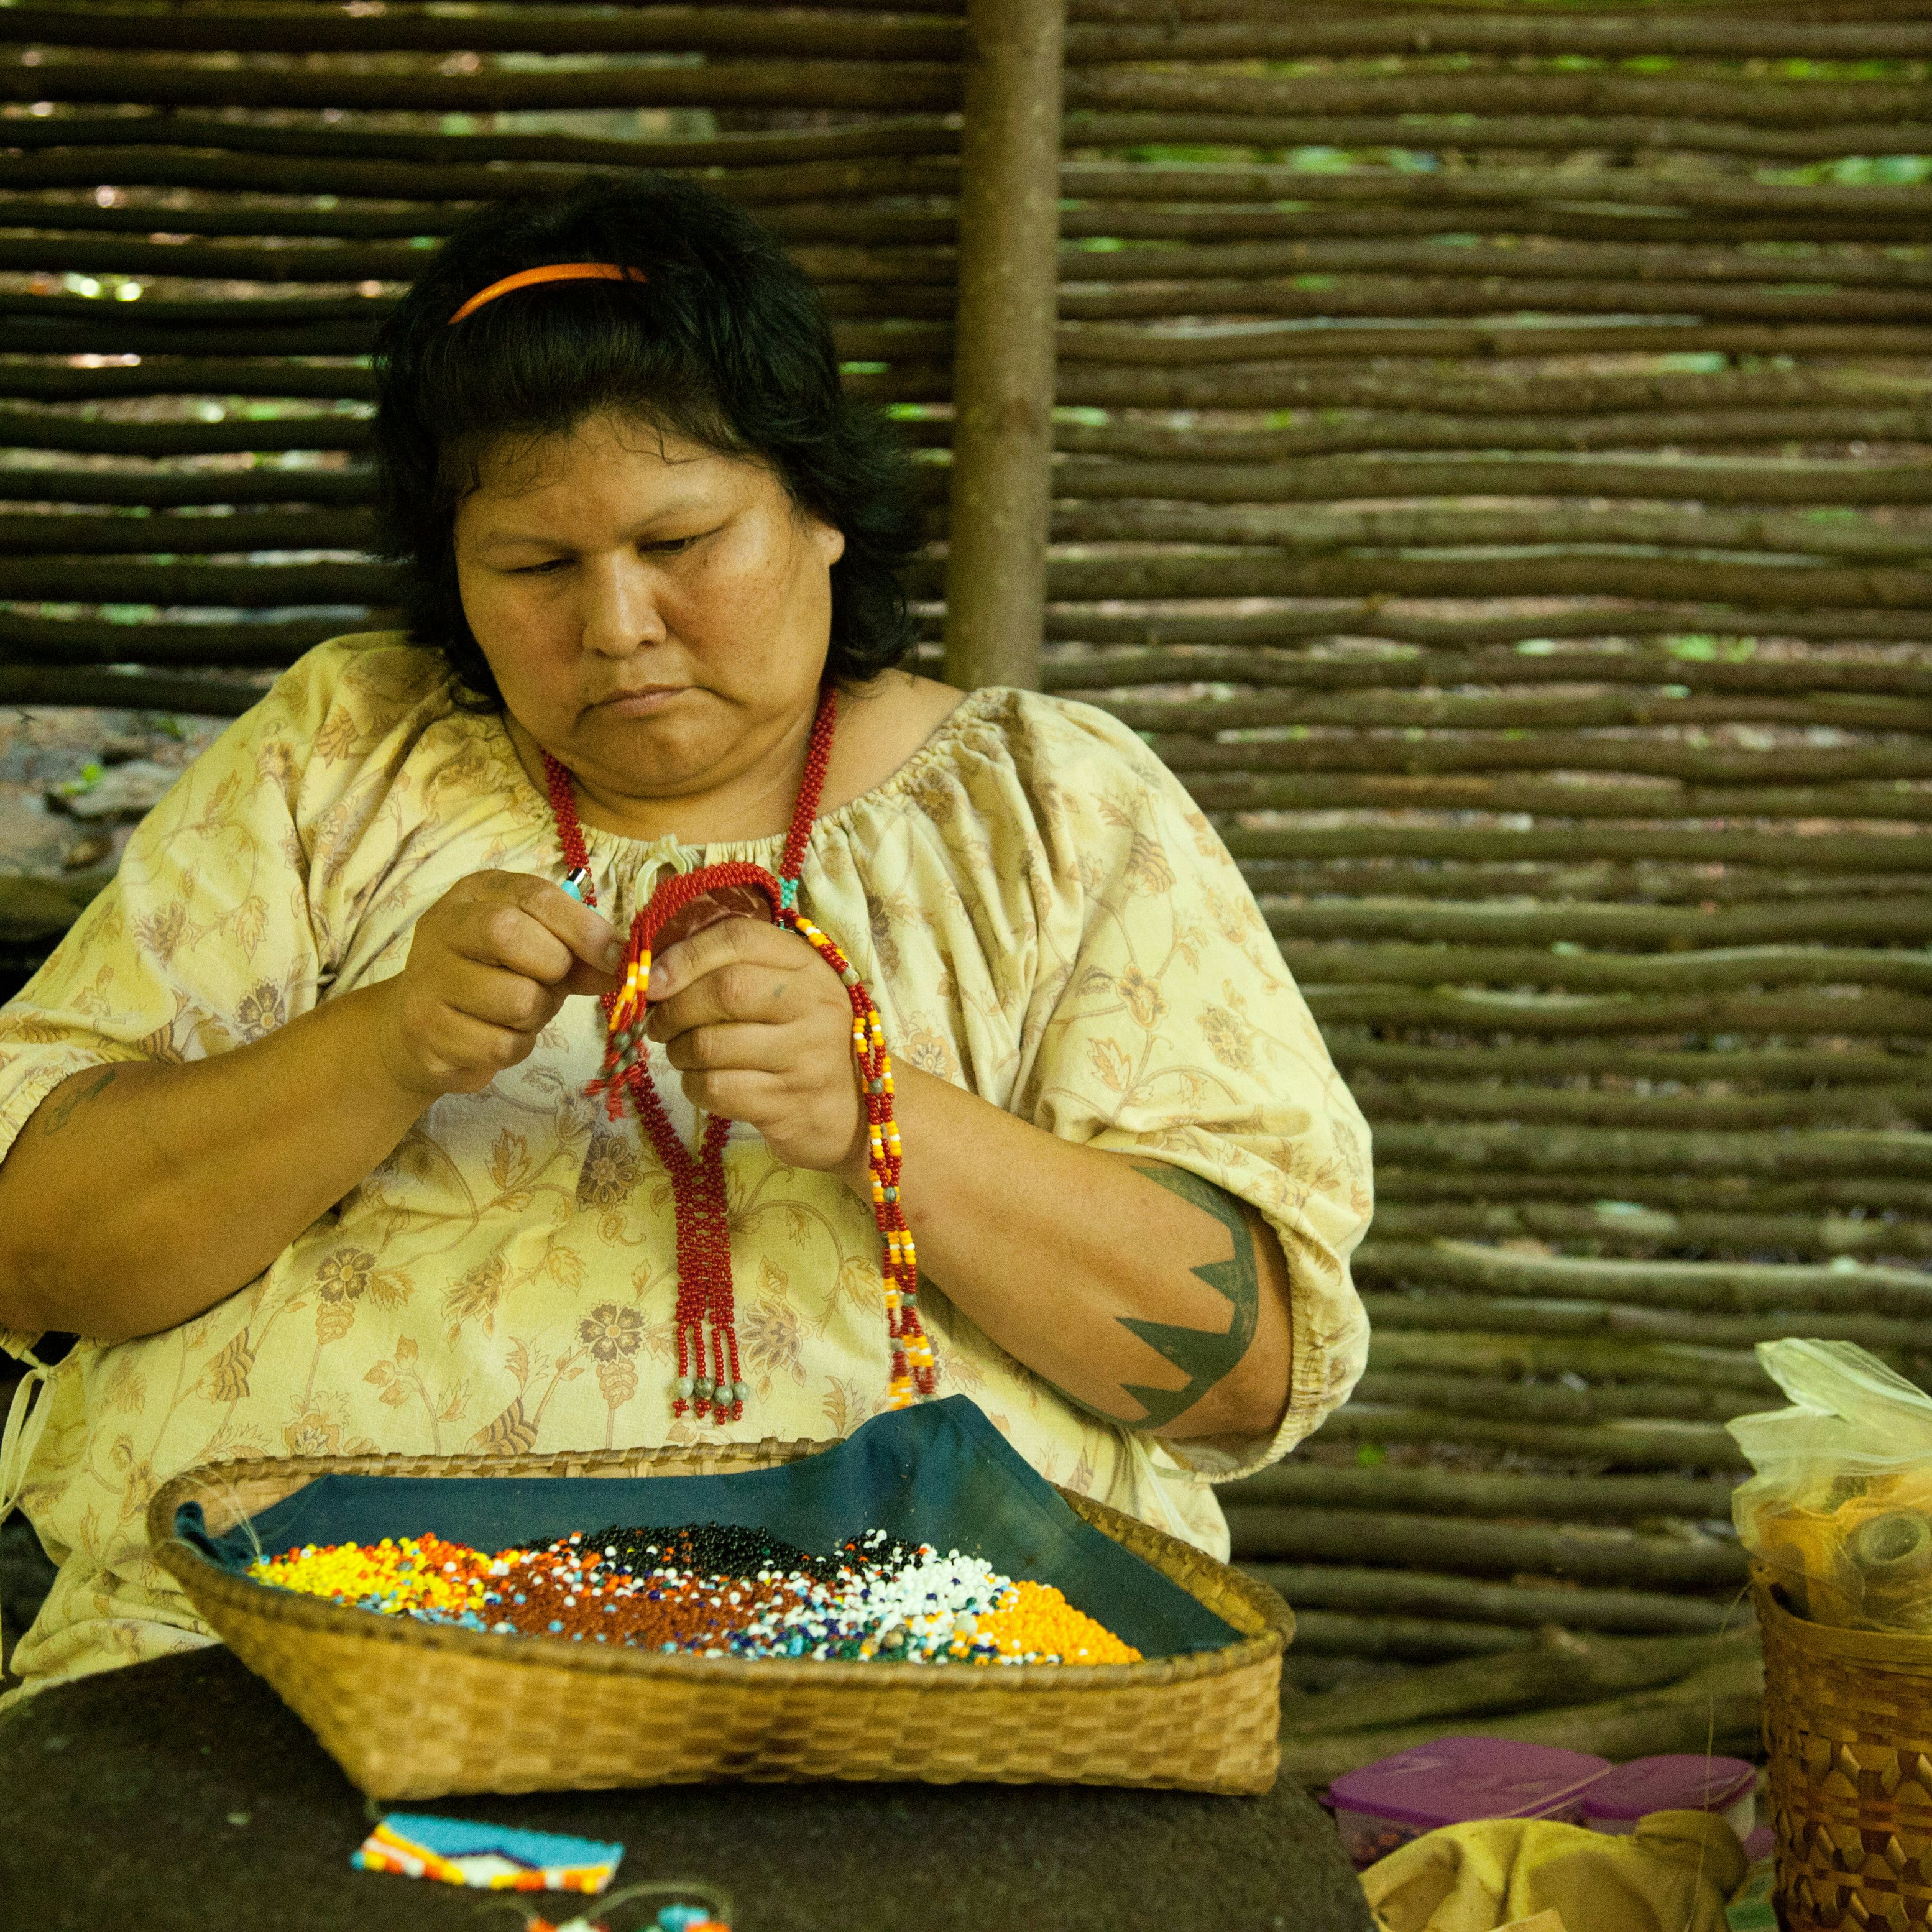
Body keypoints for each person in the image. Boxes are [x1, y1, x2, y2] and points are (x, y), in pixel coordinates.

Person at [0, 175, 1371, 1704]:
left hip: (930, 1678)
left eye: (682, 539)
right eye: (535, 566)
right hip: (276, 1651)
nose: (618, 625)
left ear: (822, 504)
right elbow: (35, 1256)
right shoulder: (341, 759)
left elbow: (1237, 1373)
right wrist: (379, 1046)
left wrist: (878, 1109)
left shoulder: (1056, 809)